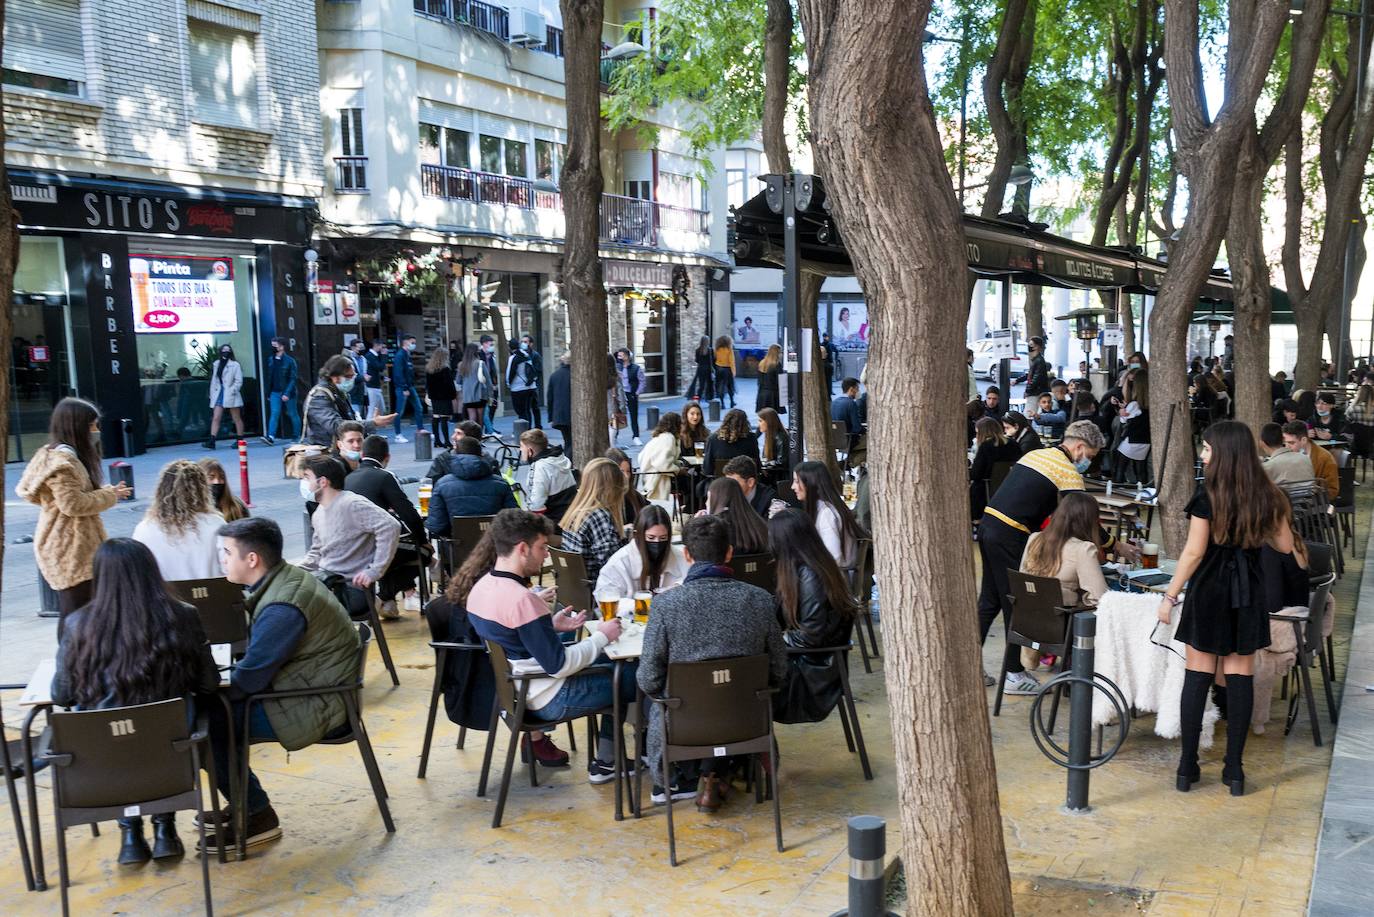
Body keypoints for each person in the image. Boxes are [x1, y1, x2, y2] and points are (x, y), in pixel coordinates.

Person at [51, 539, 219, 864]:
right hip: (171, 759)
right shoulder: (183, 615)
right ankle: (165, 830)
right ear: (151, 572)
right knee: (170, 725)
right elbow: (209, 684)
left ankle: (130, 836)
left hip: (102, 766)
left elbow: (62, 695)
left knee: (115, 736)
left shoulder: (77, 625)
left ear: (99, 576)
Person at [1158, 421, 1297, 797]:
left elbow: (1194, 553)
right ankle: (1234, 770)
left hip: (1209, 591)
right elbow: (1284, 547)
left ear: (1223, 453)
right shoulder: (1268, 496)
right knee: (1240, 678)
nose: (1203, 455)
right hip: (1249, 592)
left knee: (1197, 676)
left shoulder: (1208, 495)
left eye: (1206, 449)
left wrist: (1169, 596)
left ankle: (1187, 767)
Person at [208, 517, 361, 853]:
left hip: (320, 705)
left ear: (252, 560)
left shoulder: (282, 606)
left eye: (226, 552)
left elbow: (249, 680)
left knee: (209, 722)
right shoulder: (285, 580)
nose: (222, 559)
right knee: (218, 710)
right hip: (317, 688)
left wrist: (208, 686)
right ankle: (242, 800)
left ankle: (256, 814)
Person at [465, 509, 634, 785]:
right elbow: (559, 666)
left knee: (610, 663)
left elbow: (513, 637)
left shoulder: (481, 588)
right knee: (631, 675)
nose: (546, 555)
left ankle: (610, 756)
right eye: (542, 547)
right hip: (550, 698)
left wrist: (549, 627)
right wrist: (602, 635)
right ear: (522, 548)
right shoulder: (522, 599)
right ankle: (616, 759)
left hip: (517, 690)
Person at [637, 515, 788, 809]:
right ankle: (718, 772)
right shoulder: (760, 600)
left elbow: (649, 679)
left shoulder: (666, 605)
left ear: (687, 555)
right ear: (729, 552)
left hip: (684, 726)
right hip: (746, 720)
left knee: (666, 699)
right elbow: (779, 670)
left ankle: (700, 775)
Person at [977, 421, 1135, 693]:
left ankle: (971, 664)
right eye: (1091, 457)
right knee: (1018, 604)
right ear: (1080, 447)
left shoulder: (1036, 453)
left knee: (989, 601)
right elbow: (1085, 519)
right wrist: (1114, 545)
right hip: (1010, 534)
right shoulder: (1067, 472)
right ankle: (1014, 673)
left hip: (988, 524)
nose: (1089, 463)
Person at [16, 398, 131, 624]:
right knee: (74, 614)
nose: (96, 431)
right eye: (92, 426)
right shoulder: (63, 462)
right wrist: (110, 495)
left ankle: (81, 657)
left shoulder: (60, 456)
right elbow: (73, 504)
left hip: (71, 545)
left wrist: (106, 492)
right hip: (69, 548)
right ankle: (71, 658)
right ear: (76, 427)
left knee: (80, 612)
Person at [768, 508, 860, 724]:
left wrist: (771, 641)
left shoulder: (810, 576)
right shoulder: (807, 568)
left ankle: (754, 750)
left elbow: (810, 636)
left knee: (746, 679)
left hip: (813, 672)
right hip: (813, 661)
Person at [298, 454, 402, 616]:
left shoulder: (352, 504)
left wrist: (375, 570)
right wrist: (290, 571)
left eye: (307, 477)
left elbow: (391, 526)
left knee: (296, 612)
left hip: (349, 589)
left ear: (323, 482)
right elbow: (316, 553)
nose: (304, 483)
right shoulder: (319, 512)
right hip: (328, 583)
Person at [345, 435, 429, 615]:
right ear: (387, 458)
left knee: (393, 548)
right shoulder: (384, 477)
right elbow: (409, 514)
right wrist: (423, 540)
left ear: (362, 454)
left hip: (354, 548)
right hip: (375, 549)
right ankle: (384, 596)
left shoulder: (349, 478)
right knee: (425, 553)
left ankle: (389, 602)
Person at [132, 460, 224, 581]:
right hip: (213, 594)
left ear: (162, 490)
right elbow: (229, 567)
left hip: (163, 597)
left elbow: (139, 573)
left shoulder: (144, 529)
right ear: (202, 490)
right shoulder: (216, 523)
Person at [1019, 492, 1110, 608]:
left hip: (1027, 614)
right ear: (1090, 521)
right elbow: (1100, 598)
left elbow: (1023, 582)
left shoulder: (1034, 538)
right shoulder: (1083, 549)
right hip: (1063, 619)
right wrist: (1079, 599)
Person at [426, 438, 519, 536]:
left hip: (457, 546)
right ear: (482, 455)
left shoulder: (442, 484)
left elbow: (436, 526)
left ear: (455, 454)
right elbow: (514, 518)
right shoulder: (500, 483)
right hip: (494, 545)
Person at [596, 504, 688, 597]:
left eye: (663, 538)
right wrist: (639, 605)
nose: (657, 542)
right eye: (651, 537)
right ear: (638, 535)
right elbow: (606, 596)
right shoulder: (619, 562)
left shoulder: (680, 557)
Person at [559, 458, 626, 583]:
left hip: (575, 589)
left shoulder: (576, 513)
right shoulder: (599, 517)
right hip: (599, 590)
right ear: (614, 488)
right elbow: (614, 566)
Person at [303, 355, 394, 447]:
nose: (352, 379)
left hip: (339, 449)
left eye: (354, 375)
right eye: (349, 376)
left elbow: (348, 420)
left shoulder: (338, 392)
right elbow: (337, 426)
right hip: (327, 452)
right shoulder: (319, 397)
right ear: (335, 377)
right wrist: (372, 423)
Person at [792, 460, 866, 568]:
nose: (793, 486)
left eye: (797, 481)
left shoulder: (827, 513)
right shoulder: (827, 508)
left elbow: (834, 557)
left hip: (834, 578)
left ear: (810, 483)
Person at [969, 417, 1023, 521]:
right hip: (1010, 489)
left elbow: (976, 474)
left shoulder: (986, 447)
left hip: (987, 492)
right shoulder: (1013, 444)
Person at [519, 428, 578, 521]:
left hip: (555, 521)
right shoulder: (560, 459)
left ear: (530, 451)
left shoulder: (539, 467)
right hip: (571, 514)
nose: (520, 449)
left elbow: (537, 505)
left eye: (522, 446)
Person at [705, 476, 770, 554]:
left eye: (709, 498)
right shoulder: (757, 522)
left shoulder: (713, 527)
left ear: (718, 499)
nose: (706, 503)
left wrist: (699, 523)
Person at [1282, 421, 1339, 499]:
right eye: (1285, 443)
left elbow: (1332, 491)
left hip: (1311, 504)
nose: (1287, 447)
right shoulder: (1286, 455)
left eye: (1291, 443)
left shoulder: (1325, 458)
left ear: (1304, 440)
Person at [204, 344, 245, 449]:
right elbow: (214, 380)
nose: (225, 352)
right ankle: (212, 441)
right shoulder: (216, 364)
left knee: (236, 417)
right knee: (216, 417)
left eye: (228, 350)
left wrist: (233, 390)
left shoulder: (235, 365)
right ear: (220, 351)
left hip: (231, 393)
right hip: (219, 392)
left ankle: (240, 439)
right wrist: (211, 392)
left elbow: (239, 380)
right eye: (223, 350)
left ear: (231, 352)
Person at [637, 412, 683, 503]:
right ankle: (687, 509)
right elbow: (662, 464)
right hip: (657, 479)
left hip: (651, 476)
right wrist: (678, 470)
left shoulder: (659, 437)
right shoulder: (668, 438)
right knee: (690, 480)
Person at [262, 337, 300, 446]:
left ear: (282, 347)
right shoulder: (271, 359)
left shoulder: (290, 361)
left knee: (292, 413)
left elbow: (293, 378)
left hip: (288, 391)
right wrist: (268, 392)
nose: (272, 347)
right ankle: (271, 436)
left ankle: (296, 435)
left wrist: (287, 393)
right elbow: (270, 377)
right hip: (274, 391)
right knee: (274, 413)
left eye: (275, 345)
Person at [703, 408, 761, 478]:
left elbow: (707, 469)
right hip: (744, 484)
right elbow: (757, 466)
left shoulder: (713, 439)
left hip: (720, 483)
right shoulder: (751, 438)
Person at [724, 455, 788, 519]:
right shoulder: (726, 497)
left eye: (733, 483)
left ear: (750, 482)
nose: (729, 487)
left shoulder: (770, 501)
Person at [1116, 371, 1151, 483]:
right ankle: (1144, 491)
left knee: (1120, 467)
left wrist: (1122, 412)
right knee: (1141, 468)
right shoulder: (1152, 403)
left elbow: (1123, 420)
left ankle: (1117, 488)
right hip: (1146, 440)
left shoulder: (1134, 405)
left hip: (1132, 439)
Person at [1258, 422, 1316, 487]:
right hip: (1310, 496)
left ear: (1262, 443)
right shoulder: (1305, 458)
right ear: (1283, 439)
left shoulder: (1268, 466)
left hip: (1285, 497)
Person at [390, 335, 422, 443]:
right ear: (405, 342)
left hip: (409, 386)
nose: (414, 345)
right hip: (402, 387)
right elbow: (398, 373)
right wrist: (404, 387)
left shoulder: (407, 355)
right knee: (399, 411)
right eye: (412, 342)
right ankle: (398, 434)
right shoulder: (400, 355)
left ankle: (420, 429)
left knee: (419, 407)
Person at [605, 446, 649, 525]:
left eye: (628, 471)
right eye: (621, 471)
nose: (626, 476)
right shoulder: (602, 500)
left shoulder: (635, 496)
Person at [425, 345, 458, 447]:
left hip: (434, 397)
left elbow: (428, 384)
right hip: (444, 397)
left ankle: (437, 441)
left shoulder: (429, 369)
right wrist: (453, 395)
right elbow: (449, 384)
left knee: (435, 417)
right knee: (444, 419)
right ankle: (447, 441)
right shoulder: (445, 369)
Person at [614, 347, 647, 445]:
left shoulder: (636, 368)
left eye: (621, 355)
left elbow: (642, 381)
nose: (619, 357)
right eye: (618, 355)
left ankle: (636, 436)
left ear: (627, 356)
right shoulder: (617, 367)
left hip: (631, 393)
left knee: (634, 415)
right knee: (617, 415)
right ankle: (615, 436)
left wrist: (637, 392)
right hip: (620, 394)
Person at [546, 352, 573, 460]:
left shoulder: (555, 375)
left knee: (567, 440)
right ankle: (568, 461)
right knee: (571, 442)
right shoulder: (575, 375)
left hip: (559, 415)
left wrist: (550, 417)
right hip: (571, 414)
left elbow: (550, 398)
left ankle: (567, 459)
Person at [508, 338, 539, 430]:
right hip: (530, 386)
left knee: (520, 411)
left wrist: (508, 383)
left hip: (518, 388)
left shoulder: (513, 358)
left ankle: (523, 430)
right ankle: (528, 428)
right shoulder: (527, 355)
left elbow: (510, 372)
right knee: (526, 410)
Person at [458, 342, 491, 426]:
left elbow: (458, 381)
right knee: (480, 417)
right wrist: (491, 395)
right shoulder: (480, 363)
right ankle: (479, 436)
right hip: (480, 394)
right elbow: (488, 380)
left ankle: (472, 434)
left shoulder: (461, 365)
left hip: (467, 395)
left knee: (472, 416)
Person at [756, 406, 789, 480]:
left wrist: (766, 465)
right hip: (773, 475)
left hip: (779, 478)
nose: (758, 424)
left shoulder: (780, 438)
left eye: (760, 421)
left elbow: (782, 462)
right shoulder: (769, 436)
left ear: (768, 422)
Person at [520, 333, 544, 429]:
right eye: (522, 342)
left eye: (525, 342)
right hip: (523, 385)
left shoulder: (535, 355)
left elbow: (539, 370)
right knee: (526, 408)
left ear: (531, 344)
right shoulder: (521, 354)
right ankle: (528, 427)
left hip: (533, 385)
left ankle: (538, 426)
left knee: (535, 407)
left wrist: (533, 379)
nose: (523, 343)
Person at [480, 335, 501, 434]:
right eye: (490, 344)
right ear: (484, 344)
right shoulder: (479, 355)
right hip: (483, 386)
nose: (492, 346)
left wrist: (495, 384)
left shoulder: (492, 356)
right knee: (484, 410)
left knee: (493, 407)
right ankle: (487, 429)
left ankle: (490, 427)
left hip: (492, 386)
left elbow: (494, 372)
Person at [605, 353, 629, 440]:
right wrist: (623, 410)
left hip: (598, 413)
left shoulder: (595, 377)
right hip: (612, 412)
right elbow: (621, 396)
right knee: (611, 441)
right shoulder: (616, 377)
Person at [364, 339, 389, 420]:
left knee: (381, 408)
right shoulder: (370, 356)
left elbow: (374, 370)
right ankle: (368, 428)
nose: (383, 349)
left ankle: (373, 425)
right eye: (382, 346)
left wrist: (382, 377)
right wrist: (384, 355)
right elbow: (380, 367)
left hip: (376, 386)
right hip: (371, 386)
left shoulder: (375, 356)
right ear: (376, 345)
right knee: (372, 409)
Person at [686, 335, 714, 401]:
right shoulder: (710, 350)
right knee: (710, 385)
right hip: (708, 369)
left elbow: (697, 360)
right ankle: (710, 399)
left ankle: (698, 399)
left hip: (700, 369)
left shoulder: (698, 350)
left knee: (701, 386)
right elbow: (712, 360)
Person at [756, 343, 782, 413]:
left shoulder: (762, 363)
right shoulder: (776, 364)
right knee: (772, 415)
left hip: (762, 393)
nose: (781, 354)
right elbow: (779, 381)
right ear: (777, 353)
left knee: (763, 414)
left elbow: (759, 380)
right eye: (780, 352)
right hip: (773, 394)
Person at [347, 339, 370, 416]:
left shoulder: (364, 359)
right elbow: (350, 376)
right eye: (359, 347)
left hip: (363, 390)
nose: (362, 348)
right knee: (356, 414)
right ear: (353, 348)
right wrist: (363, 377)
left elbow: (366, 372)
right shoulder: (348, 360)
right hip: (352, 390)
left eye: (362, 346)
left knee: (361, 413)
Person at [713, 335, 737, 408]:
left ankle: (722, 403)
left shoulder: (717, 349)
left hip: (719, 368)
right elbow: (731, 361)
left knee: (721, 386)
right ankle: (732, 401)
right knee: (730, 386)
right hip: (727, 369)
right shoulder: (729, 349)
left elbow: (714, 358)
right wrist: (733, 371)